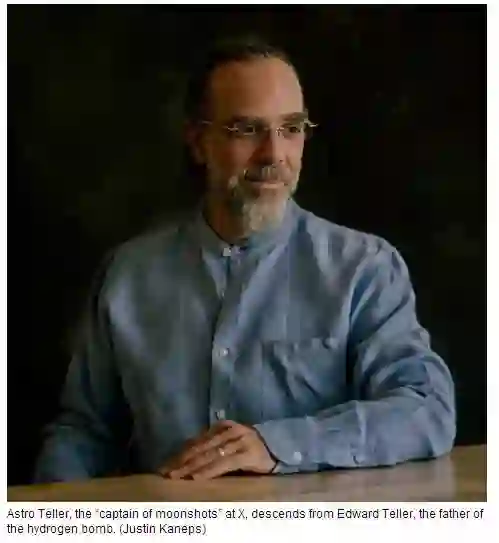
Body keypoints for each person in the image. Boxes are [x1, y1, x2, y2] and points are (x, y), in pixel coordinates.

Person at [34, 36, 456, 482]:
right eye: (247, 130)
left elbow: (425, 409)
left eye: (291, 128)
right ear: (198, 142)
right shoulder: (128, 275)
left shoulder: (364, 269)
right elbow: (85, 433)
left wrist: (277, 445)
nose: (274, 154)